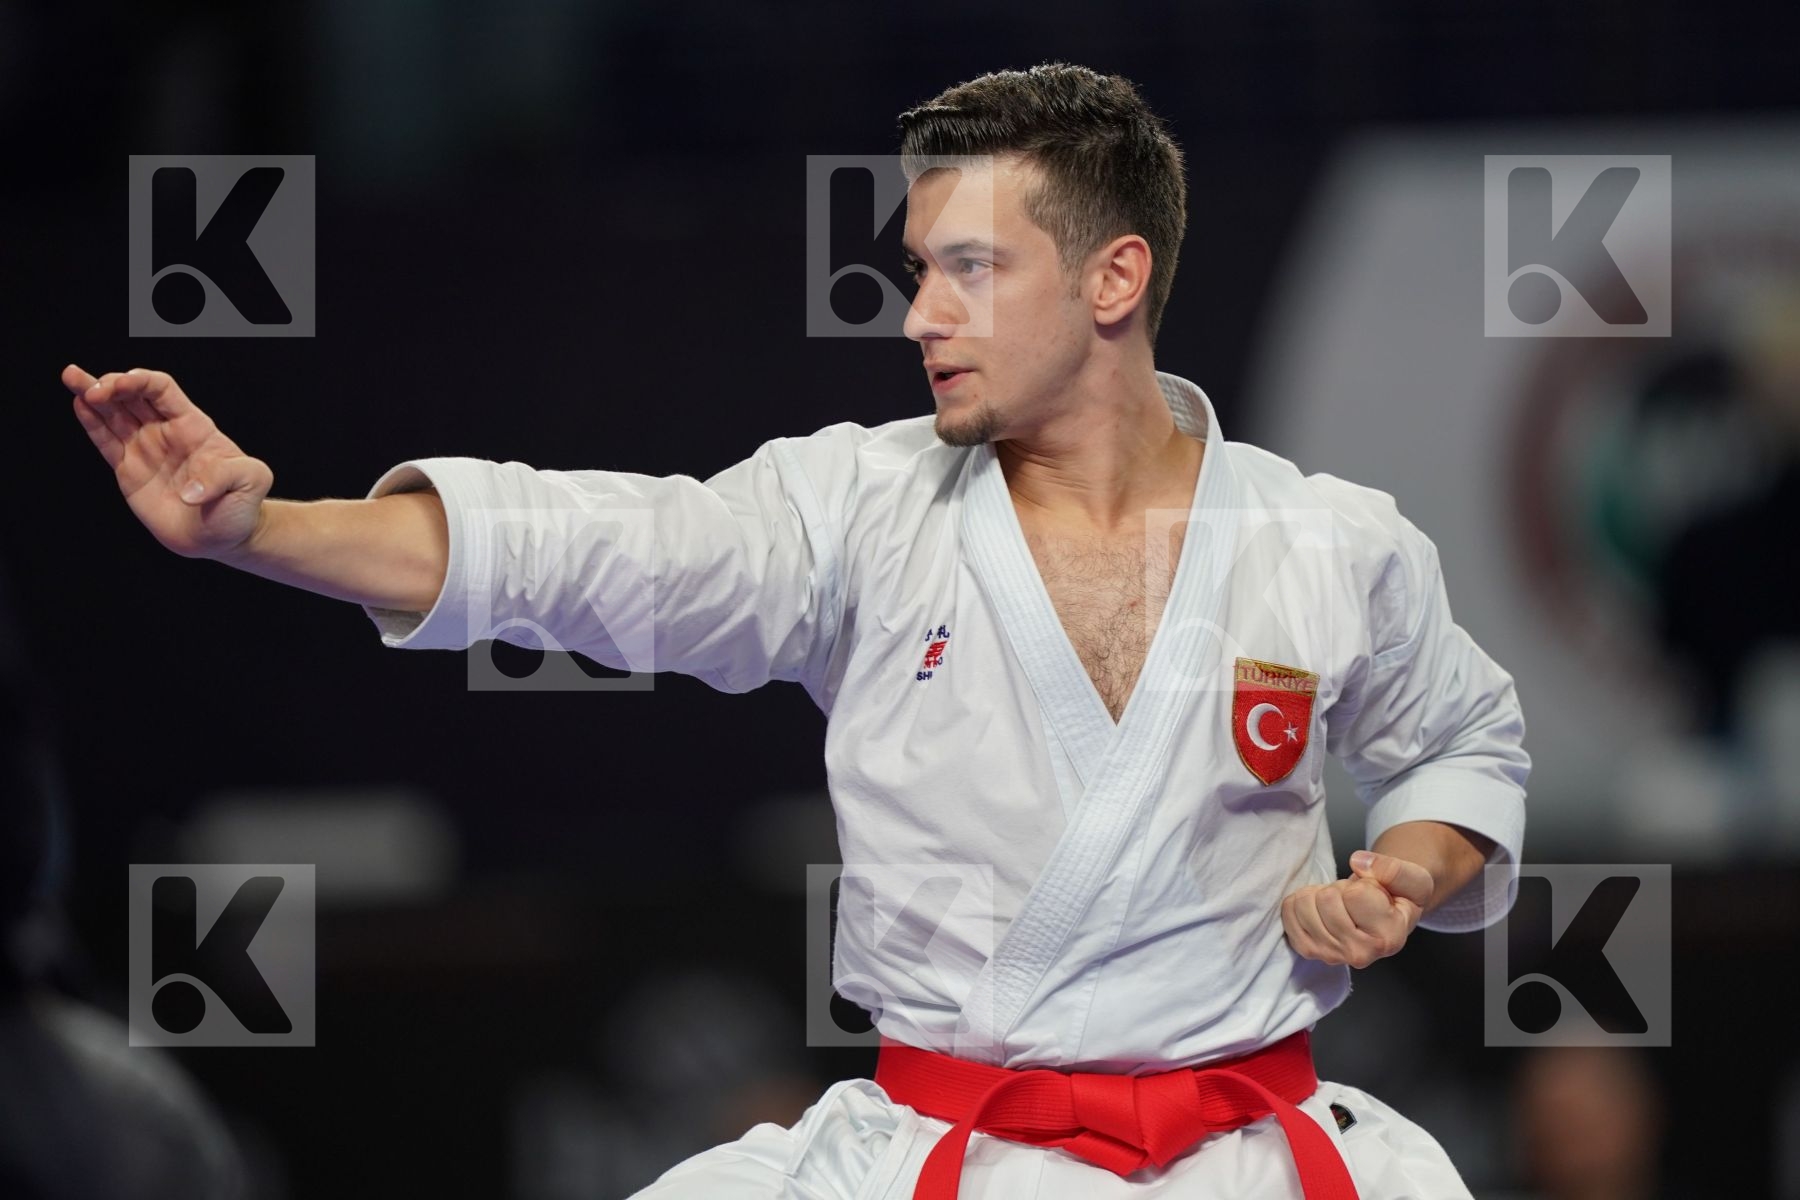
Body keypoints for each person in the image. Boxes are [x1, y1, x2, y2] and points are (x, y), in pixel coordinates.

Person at [66, 61, 1527, 1200]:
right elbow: (584, 550)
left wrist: (1403, 871)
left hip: (1256, 1149)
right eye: (917, 270)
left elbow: (1463, 742)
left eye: (972, 267)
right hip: (954, 1148)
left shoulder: (1325, 539)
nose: (921, 316)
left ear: (1114, 279)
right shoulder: (861, 509)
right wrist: (261, 528)